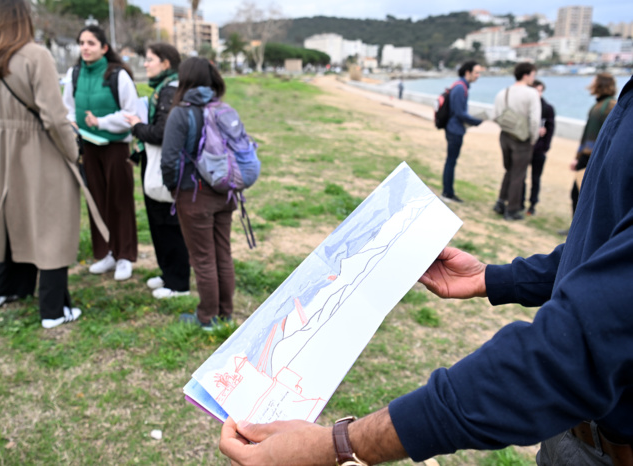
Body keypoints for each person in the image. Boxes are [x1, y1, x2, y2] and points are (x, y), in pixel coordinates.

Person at [220, 74, 633, 466]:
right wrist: (495, 278)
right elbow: (600, 251)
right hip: (572, 435)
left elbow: (568, 352)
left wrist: (337, 445)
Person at [0, 0, 100, 328]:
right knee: (52, 223)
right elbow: (54, 117)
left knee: (14, 215)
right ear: (24, 17)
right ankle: (53, 309)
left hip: (2, 145)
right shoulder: (35, 55)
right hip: (38, 146)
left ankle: (3, 290)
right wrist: (73, 150)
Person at [161, 57, 235, 330]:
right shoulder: (222, 108)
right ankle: (225, 314)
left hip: (193, 195)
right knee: (222, 254)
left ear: (185, 79)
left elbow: (168, 160)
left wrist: (173, 189)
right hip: (225, 192)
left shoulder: (181, 112)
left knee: (203, 258)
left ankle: (207, 318)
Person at [62, 25, 140, 281]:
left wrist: (102, 122)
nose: (85, 47)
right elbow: (68, 109)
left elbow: (132, 114)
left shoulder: (118, 75)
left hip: (116, 148)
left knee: (120, 201)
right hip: (88, 148)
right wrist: (72, 123)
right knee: (96, 200)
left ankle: (125, 255)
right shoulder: (74, 74)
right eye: (81, 42)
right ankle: (106, 252)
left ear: (104, 48)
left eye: (91, 43)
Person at [125, 42, 190, 300]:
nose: (145, 63)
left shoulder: (168, 92)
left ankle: (178, 283)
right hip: (157, 166)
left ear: (165, 63)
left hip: (167, 169)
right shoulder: (163, 90)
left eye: (150, 59)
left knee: (168, 224)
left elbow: (162, 133)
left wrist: (137, 125)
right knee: (159, 223)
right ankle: (168, 274)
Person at [492, 62, 541, 221]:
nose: (534, 79)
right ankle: (511, 210)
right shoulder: (531, 93)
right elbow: (535, 120)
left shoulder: (503, 92)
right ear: (526, 75)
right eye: (533, 75)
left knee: (509, 170)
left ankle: (500, 202)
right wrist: (533, 138)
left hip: (505, 135)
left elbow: (496, 116)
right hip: (522, 139)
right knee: (518, 175)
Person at [569, 73, 616, 216]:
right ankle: (575, 233)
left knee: (581, 195)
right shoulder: (598, 105)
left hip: (595, 157)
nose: (591, 84)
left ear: (601, 84)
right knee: (577, 194)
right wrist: (577, 156)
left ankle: (578, 234)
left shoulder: (610, 105)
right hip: (586, 156)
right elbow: (586, 134)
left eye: (594, 81)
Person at [441, 60, 483, 204]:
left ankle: (448, 192)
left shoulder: (460, 86)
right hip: (455, 129)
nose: (478, 75)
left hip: (453, 128)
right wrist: (477, 121)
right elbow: (459, 113)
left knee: (451, 161)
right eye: (476, 72)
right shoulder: (460, 88)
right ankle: (448, 193)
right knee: (451, 161)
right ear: (468, 72)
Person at [522, 79, 555, 216]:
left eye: (540, 91)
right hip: (525, 147)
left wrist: (545, 147)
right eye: (535, 90)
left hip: (539, 149)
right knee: (521, 176)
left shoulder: (547, 108)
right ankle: (519, 202)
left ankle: (533, 205)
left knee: (536, 178)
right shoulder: (525, 107)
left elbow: (550, 129)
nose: (537, 94)